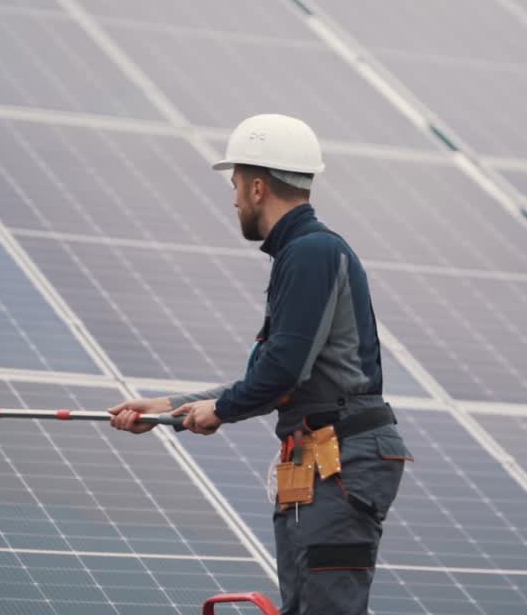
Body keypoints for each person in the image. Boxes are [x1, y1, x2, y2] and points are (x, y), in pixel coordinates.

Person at [110, 113, 410, 614]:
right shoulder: (303, 252)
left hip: (339, 459)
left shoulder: (311, 252)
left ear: (256, 187)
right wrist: (169, 408)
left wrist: (220, 410)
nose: (232, 200)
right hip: (321, 455)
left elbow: (282, 371)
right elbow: (278, 375)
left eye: (234, 185)